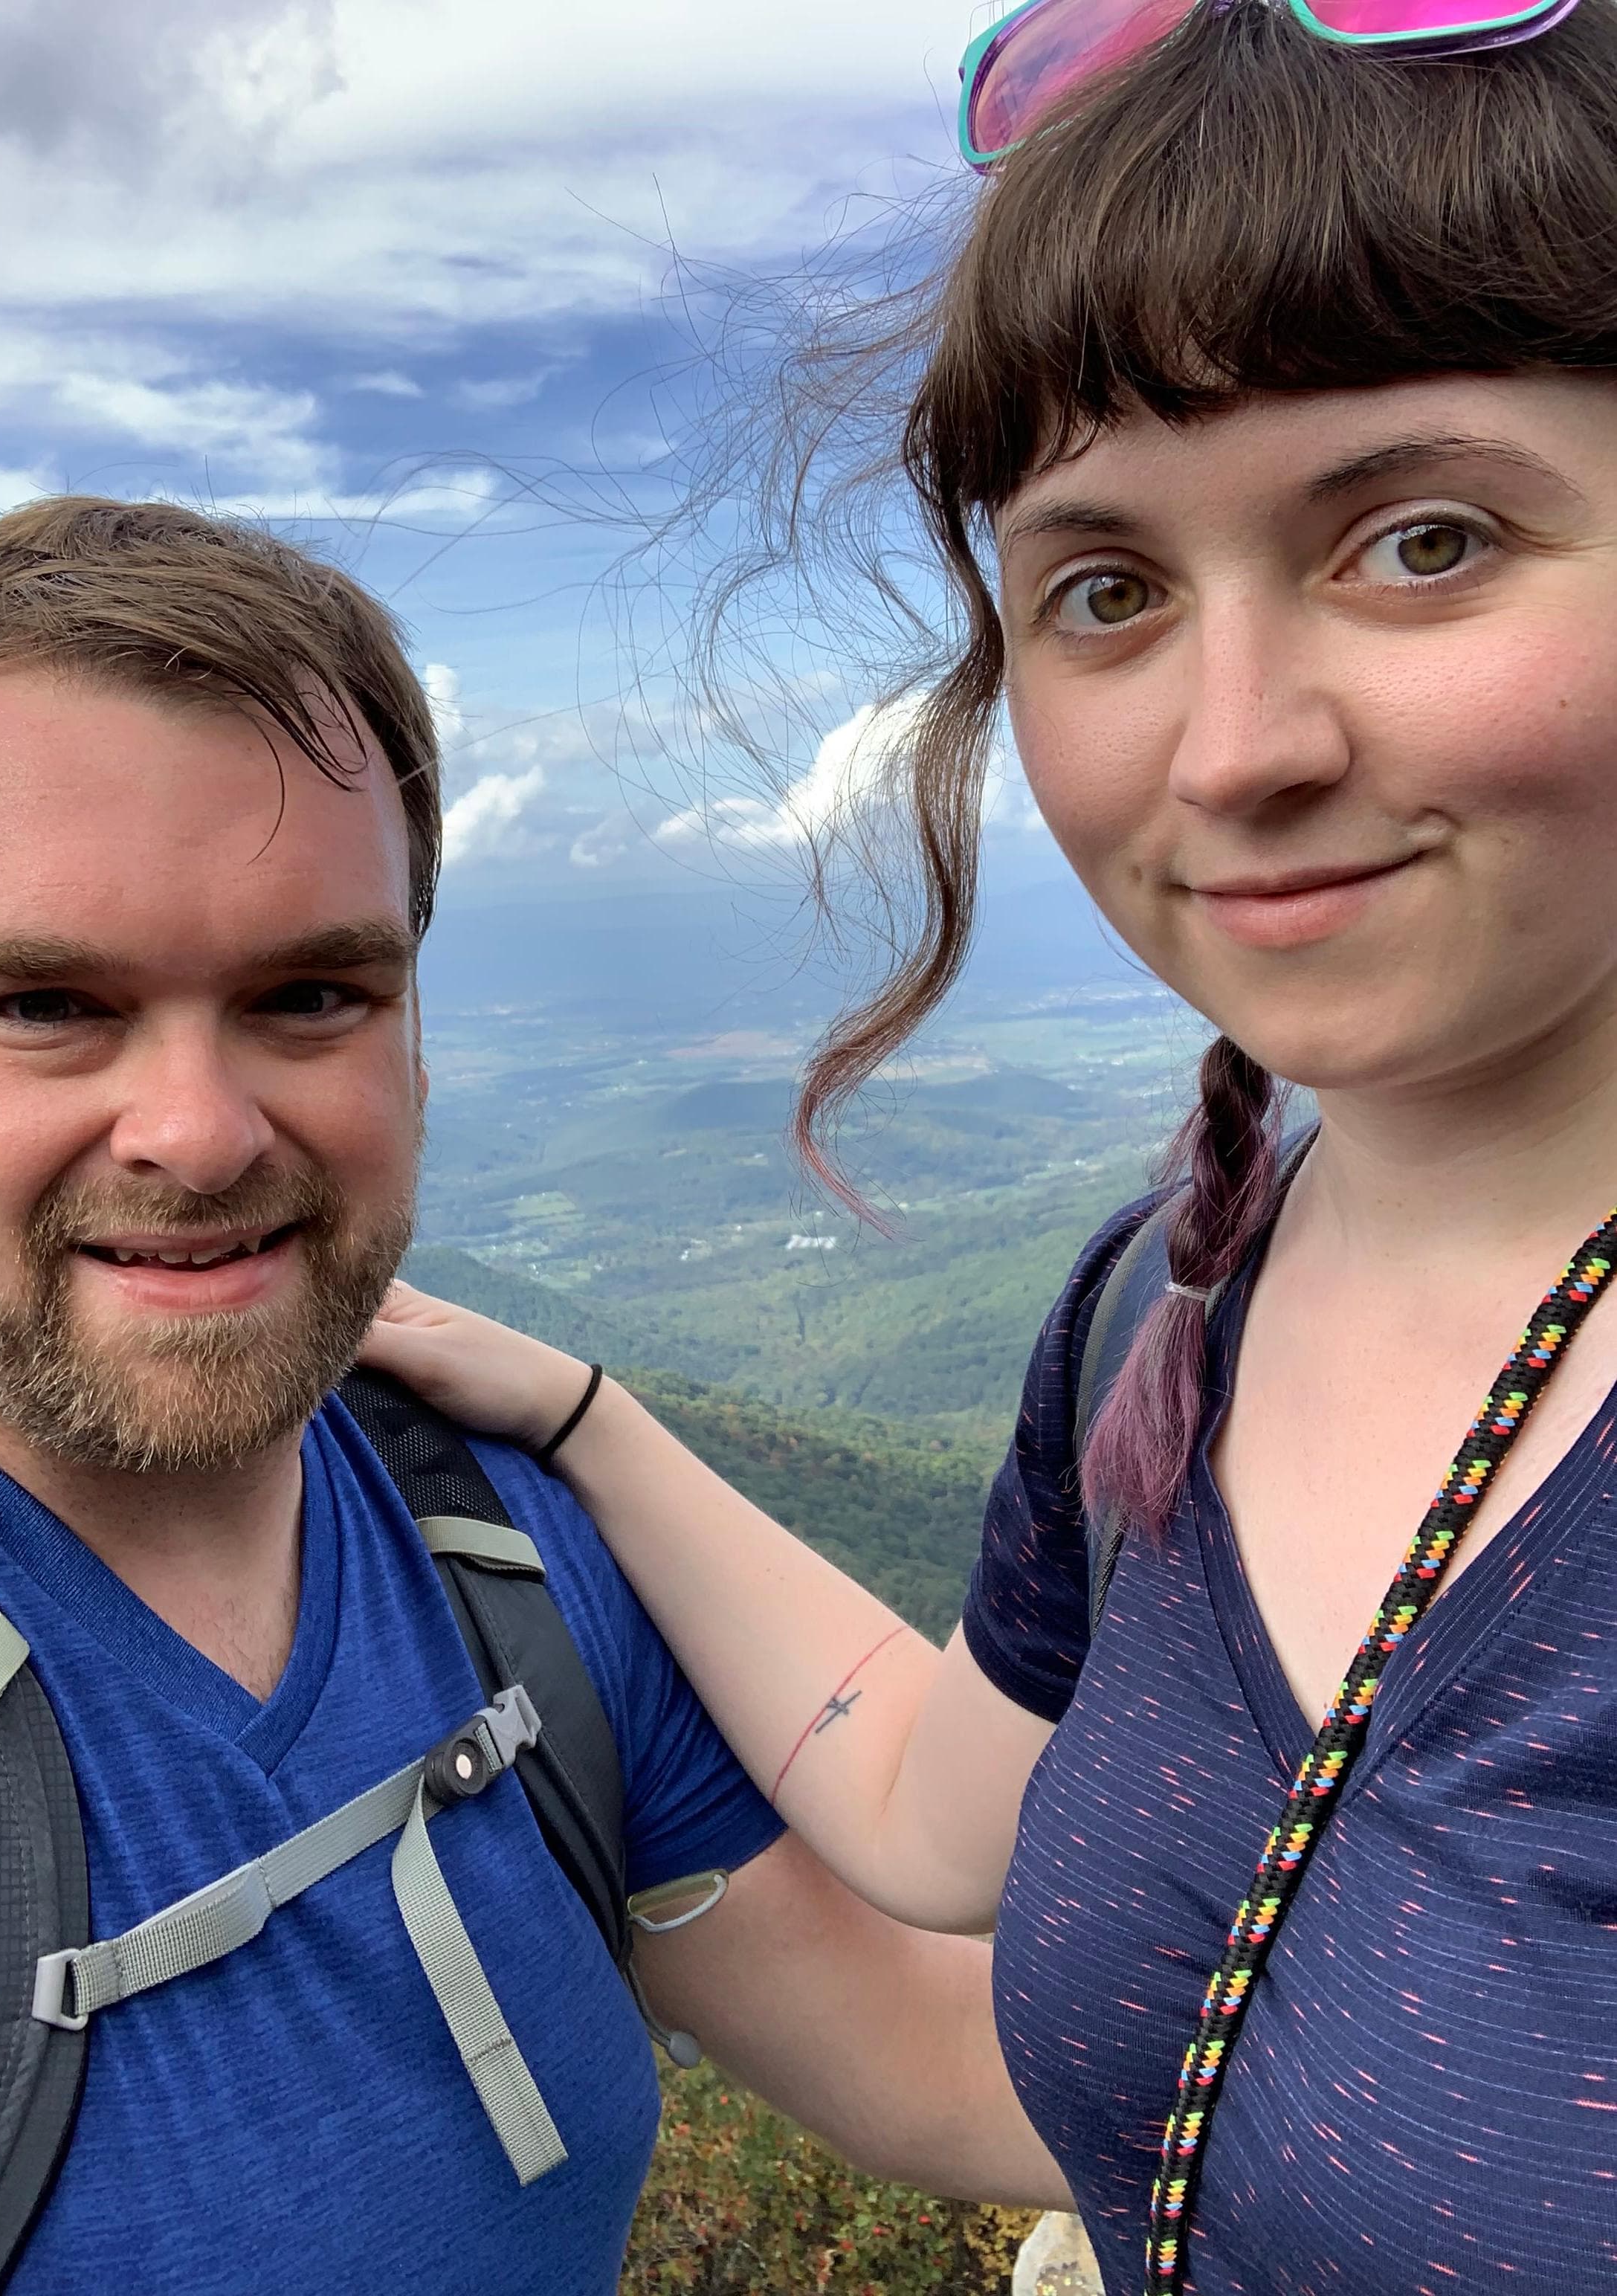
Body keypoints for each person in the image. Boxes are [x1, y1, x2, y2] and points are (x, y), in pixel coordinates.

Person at [361, 1, 1617, 2289]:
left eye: (1419, 539)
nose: (1230, 749)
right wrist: (578, 1426)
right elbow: (943, 1816)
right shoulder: (1171, 1300)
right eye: (1106, 589)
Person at [0, 496, 1067, 2296]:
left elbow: (957, 2063)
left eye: (312, 992)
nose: (201, 1133)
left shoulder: (509, 1555)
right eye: (46, 1001)